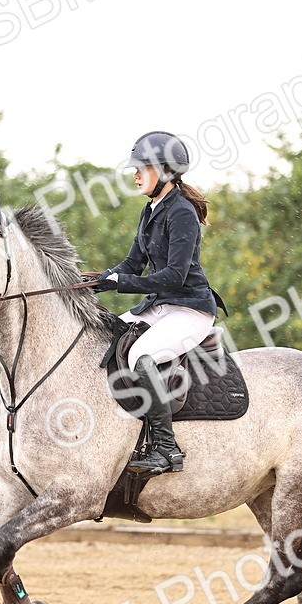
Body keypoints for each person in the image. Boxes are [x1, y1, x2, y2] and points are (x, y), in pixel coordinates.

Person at [90, 131, 226, 474]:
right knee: (108, 336)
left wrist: (122, 283)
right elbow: (132, 265)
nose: (135, 174)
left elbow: (173, 277)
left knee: (141, 355)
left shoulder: (181, 212)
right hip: (161, 306)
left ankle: (167, 450)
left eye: (142, 168)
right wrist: (93, 282)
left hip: (190, 308)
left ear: (164, 171)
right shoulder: (149, 210)